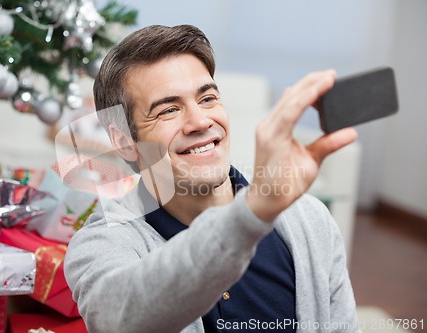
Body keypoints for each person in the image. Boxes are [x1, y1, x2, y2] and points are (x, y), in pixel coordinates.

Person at [64, 24, 361, 333]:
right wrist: (251, 213)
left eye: (207, 99)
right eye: (168, 110)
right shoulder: (102, 243)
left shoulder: (309, 219)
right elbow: (120, 319)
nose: (200, 121)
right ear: (125, 141)